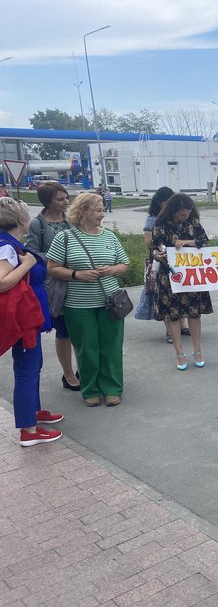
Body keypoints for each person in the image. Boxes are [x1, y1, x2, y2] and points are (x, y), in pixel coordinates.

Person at [46, 192, 129, 407]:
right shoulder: (64, 237)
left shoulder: (110, 236)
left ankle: (112, 388)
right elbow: (52, 268)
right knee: (86, 348)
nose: (102, 214)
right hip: (77, 305)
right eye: (98, 210)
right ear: (83, 211)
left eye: (102, 210)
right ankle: (90, 389)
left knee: (111, 347)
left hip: (110, 301)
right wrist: (77, 274)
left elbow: (124, 264)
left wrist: (111, 269)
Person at [0, 198, 64, 446]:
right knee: (27, 370)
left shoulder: (11, 244)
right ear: (21, 220)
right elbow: (2, 282)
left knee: (32, 366)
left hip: (27, 317)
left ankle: (33, 412)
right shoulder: (7, 247)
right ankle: (29, 430)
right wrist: (27, 264)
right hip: (21, 319)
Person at [25, 181, 79, 391]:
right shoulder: (37, 224)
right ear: (48, 202)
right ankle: (67, 373)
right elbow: (31, 253)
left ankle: (83, 368)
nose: (66, 202)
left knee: (79, 328)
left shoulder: (70, 220)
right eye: (60, 199)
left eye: (66, 197)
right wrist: (57, 258)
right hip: (55, 284)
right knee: (64, 330)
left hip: (76, 280)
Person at [151, 193, 212, 370]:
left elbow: (203, 241)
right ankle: (179, 353)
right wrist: (157, 254)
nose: (185, 217)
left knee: (194, 312)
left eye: (187, 213)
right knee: (173, 314)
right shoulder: (160, 224)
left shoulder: (192, 222)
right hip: (168, 274)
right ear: (172, 211)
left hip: (191, 274)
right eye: (181, 214)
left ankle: (198, 350)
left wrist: (185, 242)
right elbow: (154, 248)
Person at [134, 187, 190, 341]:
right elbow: (149, 242)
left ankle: (182, 326)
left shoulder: (175, 218)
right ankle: (170, 331)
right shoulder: (152, 220)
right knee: (164, 297)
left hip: (177, 259)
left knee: (180, 292)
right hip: (159, 261)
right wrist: (164, 248)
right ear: (160, 202)